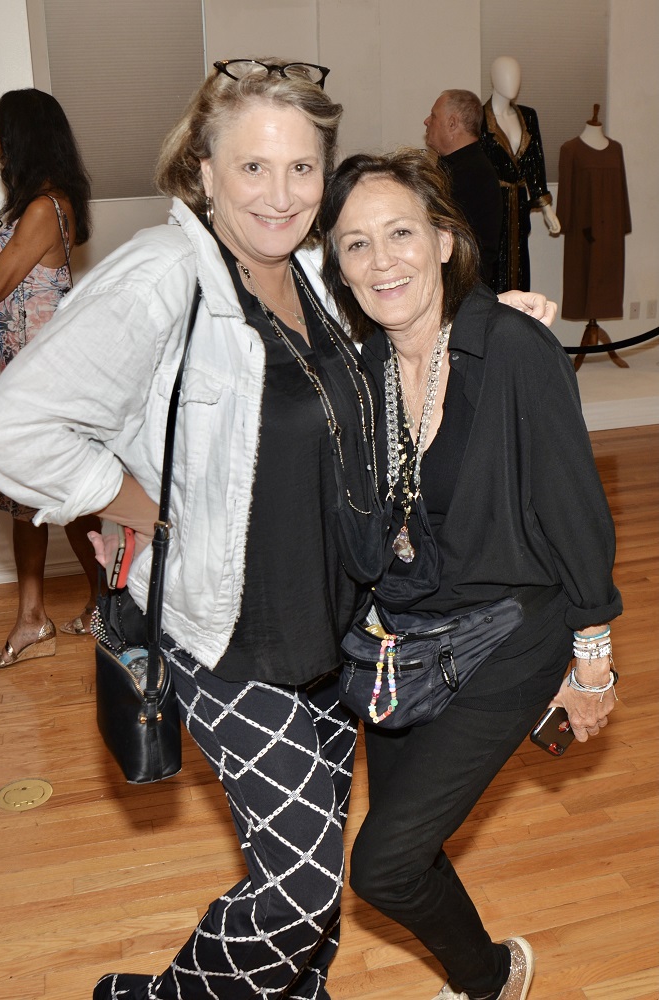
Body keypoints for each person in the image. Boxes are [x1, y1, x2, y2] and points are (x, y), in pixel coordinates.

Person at [0, 61, 554, 1000]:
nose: (280, 197)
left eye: (302, 170)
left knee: (306, 881)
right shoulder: (166, 275)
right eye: (253, 169)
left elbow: (402, 308)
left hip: (333, 630)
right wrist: (142, 505)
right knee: (300, 884)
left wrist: (494, 324)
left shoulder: (316, 272)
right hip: (226, 637)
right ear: (202, 171)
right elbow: (11, 432)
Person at [319, 148, 621, 1000]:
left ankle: (489, 978)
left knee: (380, 864)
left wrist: (591, 662)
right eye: (355, 245)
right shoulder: (361, 369)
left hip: (509, 637)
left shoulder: (513, 348)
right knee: (410, 849)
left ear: (446, 241)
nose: (384, 262)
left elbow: (575, 508)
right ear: (337, 268)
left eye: (402, 233)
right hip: (402, 641)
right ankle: (491, 976)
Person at [0, 88, 99, 669]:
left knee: (66, 500)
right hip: (24, 376)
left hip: (47, 381)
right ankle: (37, 616)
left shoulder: (47, 207)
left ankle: (108, 607)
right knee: (29, 497)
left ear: (20, 135)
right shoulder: (30, 206)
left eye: (0, 131)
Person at [480, 56, 559, 293]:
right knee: (493, 271)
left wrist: (546, 208)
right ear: (493, 78)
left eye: (516, 75)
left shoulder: (528, 116)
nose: (512, 80)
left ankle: (517, 324)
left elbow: (536, 161)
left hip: (519, 206)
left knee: (519, 270)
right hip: (490, 207)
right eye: (506, 74)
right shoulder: (479, 120)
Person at [424, 89, 502, 287]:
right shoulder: (452, 166)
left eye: (433, 116)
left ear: (452, 123)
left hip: (462, 289)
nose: (426, 121)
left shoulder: (473, 173)